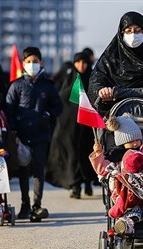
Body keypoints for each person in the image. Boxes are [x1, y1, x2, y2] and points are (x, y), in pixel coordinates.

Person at [87, 11, 143, 164]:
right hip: (117, 119)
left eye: (137, 31)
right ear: (121, 34)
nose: (133, 35)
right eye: (128, 31)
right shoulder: (111, 58)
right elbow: (96, 81)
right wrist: (103, 91)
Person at [89, 114, 143, 234]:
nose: (135, 144)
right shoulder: (116, 157)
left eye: (137, 139)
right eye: (131, 141)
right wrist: (98, 154)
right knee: (130, 207)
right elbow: (103, 169)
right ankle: (126, 224)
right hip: (127, 194)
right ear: (122, 142)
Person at [6, 46, 63, 222]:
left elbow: (58, 106)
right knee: (24, 170)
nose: (32, 65)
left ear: (41, 63)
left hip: (40, 135)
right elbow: (9, 109)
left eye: (35, 62)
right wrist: (13, 132)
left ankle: (36, 206)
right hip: (21, 136)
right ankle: (25, 204)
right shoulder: (16, 85)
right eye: (29, 62)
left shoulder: (48, 85)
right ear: (23, 64)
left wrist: (48, 115)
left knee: (39, 170)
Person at [45, 51, 98, 199]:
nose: (81, 65)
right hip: (70, 127)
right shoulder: (69, 79)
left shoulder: (93, 80)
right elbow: (62, 100)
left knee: (87, 154)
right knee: (72, 154)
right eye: (78, 62)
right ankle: (75, 185)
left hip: (88, 128)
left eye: (84, 62)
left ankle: (87, 181)